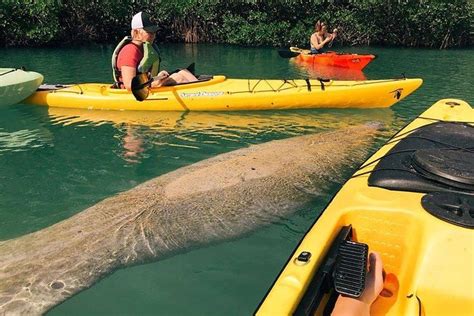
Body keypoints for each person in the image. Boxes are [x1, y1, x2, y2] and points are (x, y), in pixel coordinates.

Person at [112, 11, 197, 90]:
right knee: (179, 77)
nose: (153, 35)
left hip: (147, 85)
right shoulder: (129, 51)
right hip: (135, 93)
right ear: (136, 32)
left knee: (184, 72)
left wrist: (159, 77)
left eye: (154, 32)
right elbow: (129, 85)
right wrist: (154, 81)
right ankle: (199, 96)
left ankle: (202, 92)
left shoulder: (145, 48)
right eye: (149, 32)